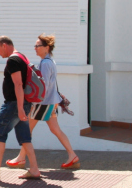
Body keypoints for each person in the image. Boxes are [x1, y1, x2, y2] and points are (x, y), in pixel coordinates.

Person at [6, 34, 80, 170]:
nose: (35, 48)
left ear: (46, 47)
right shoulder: (50, 61)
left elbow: (43, 86)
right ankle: (72, 156)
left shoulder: (45, 63)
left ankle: (21, 159)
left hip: (43, 103)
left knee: (26, 129)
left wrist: (34, 103)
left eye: (38, 46)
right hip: (51, 102)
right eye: (35, 45)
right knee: (55, 129)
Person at [0, 36, 41, 180]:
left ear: (5, 45)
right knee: (25, 137)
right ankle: (35, 169)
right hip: (22, 103)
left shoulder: (13, 60)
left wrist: (19, 108)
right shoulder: (22, 57)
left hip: (14, 104)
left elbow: (18, 84)